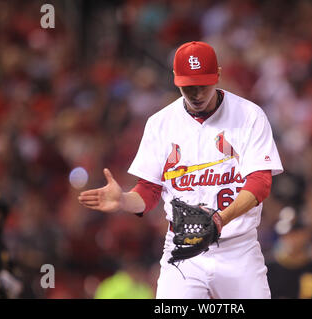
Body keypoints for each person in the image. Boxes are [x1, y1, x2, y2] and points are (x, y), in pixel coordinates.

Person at [79, 41, 284, 298]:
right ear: (176, 80)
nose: (196, 94)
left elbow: (259, 183)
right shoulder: (160, 124)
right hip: (183, 253)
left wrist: (221, 219)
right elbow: (149, 192)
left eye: (202, 85)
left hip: (238, 250)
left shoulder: (249, 115)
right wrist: (123, 200)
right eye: (188, 87)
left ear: (218, 75)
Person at [266, 209, 312, 299]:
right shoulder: (270, 269)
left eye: (293, 233)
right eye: (285, 234)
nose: (289, 238)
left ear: (305, 234)